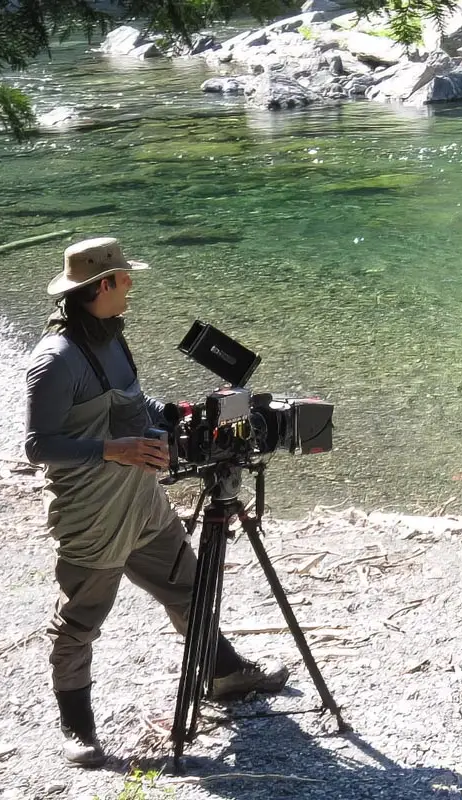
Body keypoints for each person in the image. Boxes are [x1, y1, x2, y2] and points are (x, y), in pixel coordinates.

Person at [24, 237, 288, 766]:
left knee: (189, 586)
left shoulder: (112, 339)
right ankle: (75, 728)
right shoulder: (55, 361)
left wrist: (167, 415)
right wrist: (113, 449)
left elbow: (132, 400)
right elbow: (39, 445)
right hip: (93, 511)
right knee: (80, 620)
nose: (131, 284)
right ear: (102, 286)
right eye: (124, 277)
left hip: (143, 499)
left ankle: (222, 673)